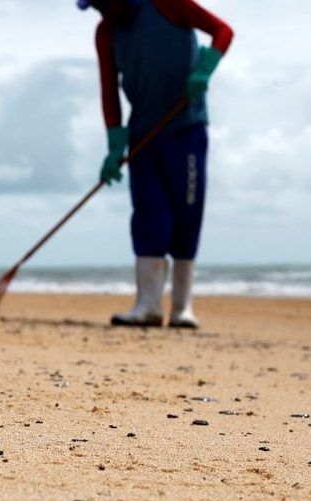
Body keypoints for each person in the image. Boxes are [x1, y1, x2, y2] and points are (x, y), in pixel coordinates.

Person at [77, 0, 233, 328]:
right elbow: (108, 89)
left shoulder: (167, 3)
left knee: (186, 215)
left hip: (186, 127)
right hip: (143, 136)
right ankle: (146, 305)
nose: (102, 9)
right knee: (150, 216)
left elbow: (223, 31)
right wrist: (114, 141)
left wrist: (206, 67)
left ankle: (181, 308)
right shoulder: (106, 32)